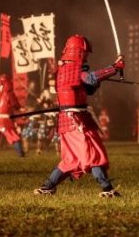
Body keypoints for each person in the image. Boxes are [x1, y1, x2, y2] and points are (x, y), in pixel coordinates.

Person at [34, 35, 124, 197]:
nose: (86, 57)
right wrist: (114, 68)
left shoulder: (64, 69)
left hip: (69, 121)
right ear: (78, 52)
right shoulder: (71, 70)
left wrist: (104, 76)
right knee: (94, 154)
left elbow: (88, 87)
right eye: (85, 53)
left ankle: (47, 187)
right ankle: (107, 189)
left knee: (72, 159)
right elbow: (90, 79)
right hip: (76, 121)